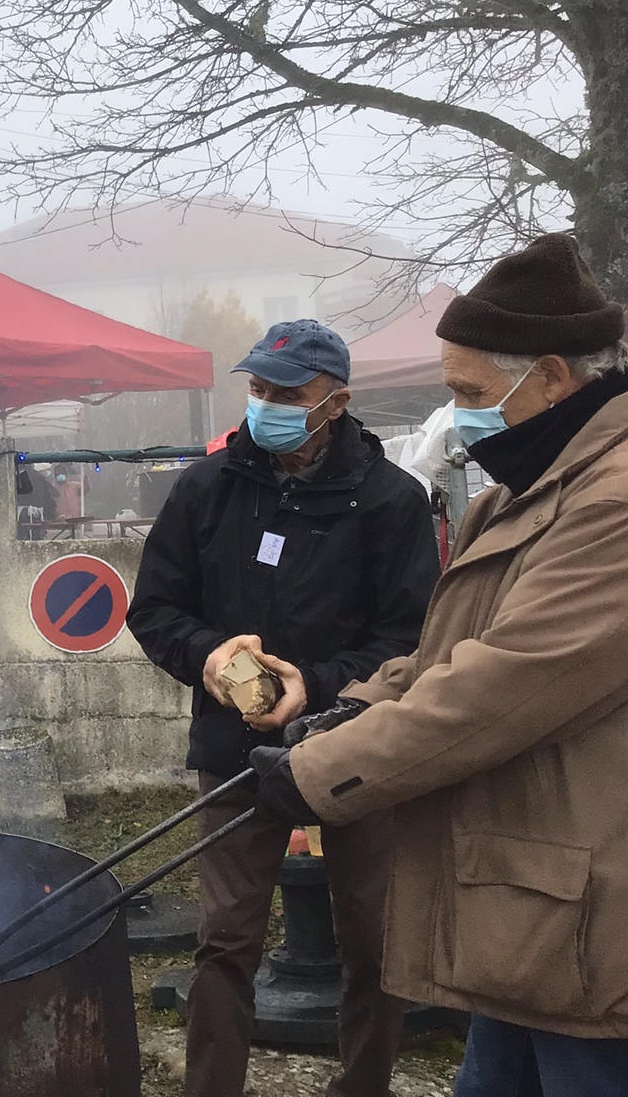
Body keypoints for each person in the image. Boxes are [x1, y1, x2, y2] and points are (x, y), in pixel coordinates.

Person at [252, 234, 628, 1094]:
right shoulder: (526, 486)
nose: (459, 414)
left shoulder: (613, 503)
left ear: (553, 378)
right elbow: (448, 650)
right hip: (530, 908)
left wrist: (323, 772)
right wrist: (359, 704)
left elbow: (507, 682)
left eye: (471, 392)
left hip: (595, 928)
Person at [127, 318, 440, 1097]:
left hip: (359, 745)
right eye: (258, 389)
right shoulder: (207, 487)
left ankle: (362, 1084)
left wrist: (319, 685)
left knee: (373, 942)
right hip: (235, 747)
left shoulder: (391, 500)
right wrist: (209, 658)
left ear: (335, 402)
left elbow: (411, 638)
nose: (265, 405)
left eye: (286, 393)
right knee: (225, 942)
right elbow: (155, 607)